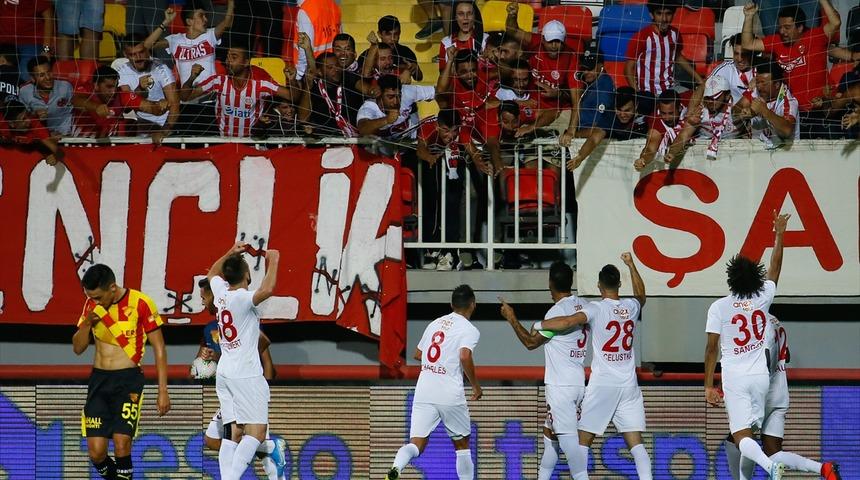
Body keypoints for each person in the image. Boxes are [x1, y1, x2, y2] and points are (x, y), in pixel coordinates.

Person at [535, 252, 650, 480]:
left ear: (599, 285)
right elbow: (641, 295)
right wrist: (631, 265)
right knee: (636, 445)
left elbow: (568, 321)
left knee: (581, 442)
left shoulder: (596, 309)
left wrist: (540, 324)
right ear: (619, 283)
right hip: (628, 385)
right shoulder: (631, 306)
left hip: (603, 385)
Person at [703, 211, 792, 480]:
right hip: (761, 378)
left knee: (741, 436)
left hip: (736, 378)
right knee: (746, 436)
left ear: (730, 280)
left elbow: (711, 349)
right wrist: (779, 235)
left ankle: (769, 466)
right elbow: (775, 269)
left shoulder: (719, 307)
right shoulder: (763, 296)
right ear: (756, 278)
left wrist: (708, 384)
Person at [72, 264, 171, 480]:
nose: (95, 301)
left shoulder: (140, 303)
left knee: (121, 444)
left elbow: (160, 348)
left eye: (98, 297)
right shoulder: (91, 306)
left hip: (128, 381)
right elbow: (78, 348)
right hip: (99, 381)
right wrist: (87, 323)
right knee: (96, 452)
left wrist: (162, 390)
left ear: (112, 288)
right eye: (91, 297)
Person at [723, 313, 842, 480]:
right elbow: (787, 355)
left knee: (739, 439)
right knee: (773, 452)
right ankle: (824, 469)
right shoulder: (775, 320)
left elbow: (763, 357)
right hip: (780, 392)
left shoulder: (757, 322)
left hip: (763, 392)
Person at [500, 261, 588, 480]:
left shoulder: (555, 313)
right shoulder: (583, 305)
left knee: (569, 445)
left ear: (550, 283)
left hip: (560, 387)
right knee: (550, 437)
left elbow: (531, 343)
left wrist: (511, 317)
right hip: (578, 383)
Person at [385, 284, 482, 480]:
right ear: (473, 305)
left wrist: (440, 363)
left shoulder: (435, 323)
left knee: (416, 444)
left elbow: (418, 354)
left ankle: (396, 468)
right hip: (448, 391)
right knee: (462, 446)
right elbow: (464, 356)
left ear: (451, 304)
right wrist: (475, 385)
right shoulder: (469, 329)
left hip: (424, 390)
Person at [197, 277, 288, 480]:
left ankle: (269, 457)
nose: (202, 302)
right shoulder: (210, 326)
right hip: (230, 384)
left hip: (247, 385)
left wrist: (254, 376)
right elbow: (198, 364)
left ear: (215, 295)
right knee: (214, 439)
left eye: (204, 297)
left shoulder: (240, 313)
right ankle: (270, 448)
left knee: (245, 436)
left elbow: (263, 344)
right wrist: (200, 366)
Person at [741, 1, 841, 137]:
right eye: (780, 27)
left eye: (787, 27)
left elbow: (835, 23)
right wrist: (749, 16)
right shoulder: (777, 41)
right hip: (794, 114)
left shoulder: (816, 36)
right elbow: (748, 44)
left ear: (800, 28)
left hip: (822, 109)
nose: (782, 31)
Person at [180, 44, 293, 138]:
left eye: (233, 57)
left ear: (246, 62)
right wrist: (192, 78)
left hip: (251, 145)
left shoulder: (260, 85)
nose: (228, 61)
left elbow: (292, 96)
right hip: (226, 144)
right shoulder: (218, 82)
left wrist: (292, 80)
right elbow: (185, 97)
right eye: (227, 57)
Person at [625, 0, 703, 113]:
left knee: (694, 99)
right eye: (659, 14)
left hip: (670, 88)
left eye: (668, 14)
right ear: (652, 15)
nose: (664, 19)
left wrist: (699, 79)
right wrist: (638, 94)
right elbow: (628, 68)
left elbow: (676, 56)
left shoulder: (675, 34)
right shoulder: (641, 36)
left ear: (673, 15)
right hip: (648, 92)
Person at [71, 65, 169, 138]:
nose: (113, 91)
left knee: (129, 123)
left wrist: (161, 105)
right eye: (109, 87)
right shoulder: (86, 90)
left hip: (110, 147)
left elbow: (151, 108)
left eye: (115, 86)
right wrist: (96, 107)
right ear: (96, 85)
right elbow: (76, 100)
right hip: (79, 146)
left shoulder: (121, 95)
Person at [568, 86, 647, 171]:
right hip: (618, 138)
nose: (622, 115)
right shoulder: (610, 115)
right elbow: (594, 139)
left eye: (627, 110)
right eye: (619, 110)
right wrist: (580, 157)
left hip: (641, 144)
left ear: (636, 105)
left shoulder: (648, 105)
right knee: (592, 131)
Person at [117, 41, 180, 144]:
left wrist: (163, 131)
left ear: (147, 51)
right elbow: (127, 106)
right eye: (133, 54)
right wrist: (139, 89)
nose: (138, 57)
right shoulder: (123, 71)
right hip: (143, 131)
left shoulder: (161, 68)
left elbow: (175, 105)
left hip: (167, 127)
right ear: (125, 55)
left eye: (141, 52)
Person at [669, 75, 741, 162]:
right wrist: (672, 153)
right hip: (701, 154)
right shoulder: (700, 111)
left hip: (734, 154)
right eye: (708, 97)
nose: (710, 101)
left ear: (727, 95)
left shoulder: (737, 109)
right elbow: (684, 136)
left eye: (715, 98)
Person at [734, 60, 800, 150]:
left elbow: (787, 131)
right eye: (757, 82)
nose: (759, 87)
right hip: (758, 149)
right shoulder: (756, 91)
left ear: (776, 84)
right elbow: (735, 110)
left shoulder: (789, 101)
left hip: (785, 152)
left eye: (764, 83)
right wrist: (748, 112)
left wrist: (764, 111)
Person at [303, 52, 365, 137]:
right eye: (330, 67)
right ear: (320, 72)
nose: (336, 69)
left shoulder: (348, 78)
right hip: (326, 141)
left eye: (337, 65)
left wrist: (372, 91)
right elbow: (303, 118)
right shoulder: (314, 87)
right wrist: (307, 87)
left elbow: (368, 90)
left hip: (355, 138)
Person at [356, 74, 435, 140]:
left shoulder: (407, 92)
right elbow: (362, 128)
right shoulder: (369, 107)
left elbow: (437, 92)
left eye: (399, 96)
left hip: (410, 141)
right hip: (382, 148)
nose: (396, 101)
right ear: (379, 94)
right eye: (390, 97)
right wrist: (386, 120)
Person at [18, 55, 74, 136]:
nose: (48, 77)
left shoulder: (65, 87)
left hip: (66, 135)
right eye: (41, 75)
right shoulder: (25, 92)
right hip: (40, 138)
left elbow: (75, 111)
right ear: (33, 79)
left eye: (49, 72)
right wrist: (34, 115)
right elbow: (22, 119)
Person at [0, 0, 54, 82]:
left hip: (31, 43)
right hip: (6, 44)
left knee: (25, 76)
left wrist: (46, 50)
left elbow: (49, 18)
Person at [634, 89, 688, 171]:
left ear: (680, 108)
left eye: (671, 113)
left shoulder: (688, 100)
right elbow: (650, 149)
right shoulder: (656, 121)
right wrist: (643, 160)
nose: (666, 118)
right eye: (663, 113)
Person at [0, 99, 64, 166]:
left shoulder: (36, 126)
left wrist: (54, 157)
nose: (29, 120)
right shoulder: (2, 123)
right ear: (12, 124)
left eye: (28, 115)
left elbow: (57, 150)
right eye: (23, 119)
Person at [359, 16, 422, 82]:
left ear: (400, 33)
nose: (393, 38)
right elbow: (362, 78)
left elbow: (419, 78)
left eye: (396, 34)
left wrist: (415, 68)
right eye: (388, 34)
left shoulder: (406, 52)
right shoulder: (368, 54)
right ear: (379, 34)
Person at [294, 0, 342, 81]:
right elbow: (340, 35)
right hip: (333, 69)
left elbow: (304, 48)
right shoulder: (333, 4)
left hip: (314, 71)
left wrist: (299, 75)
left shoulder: (306, 10)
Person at [438, 0, 487, 72]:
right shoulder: (446, 43)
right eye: (461, 14)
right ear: (455, 17)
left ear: (475, 16)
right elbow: (442, 78)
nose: (465, 17)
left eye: (469, 13)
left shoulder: (486, 40)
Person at [708, 34, 756, 104]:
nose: (739, 59)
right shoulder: (725, 70)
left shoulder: (762, 71)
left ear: (752, 53)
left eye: (744, 54)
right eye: (736, 53)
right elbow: (704, 88)